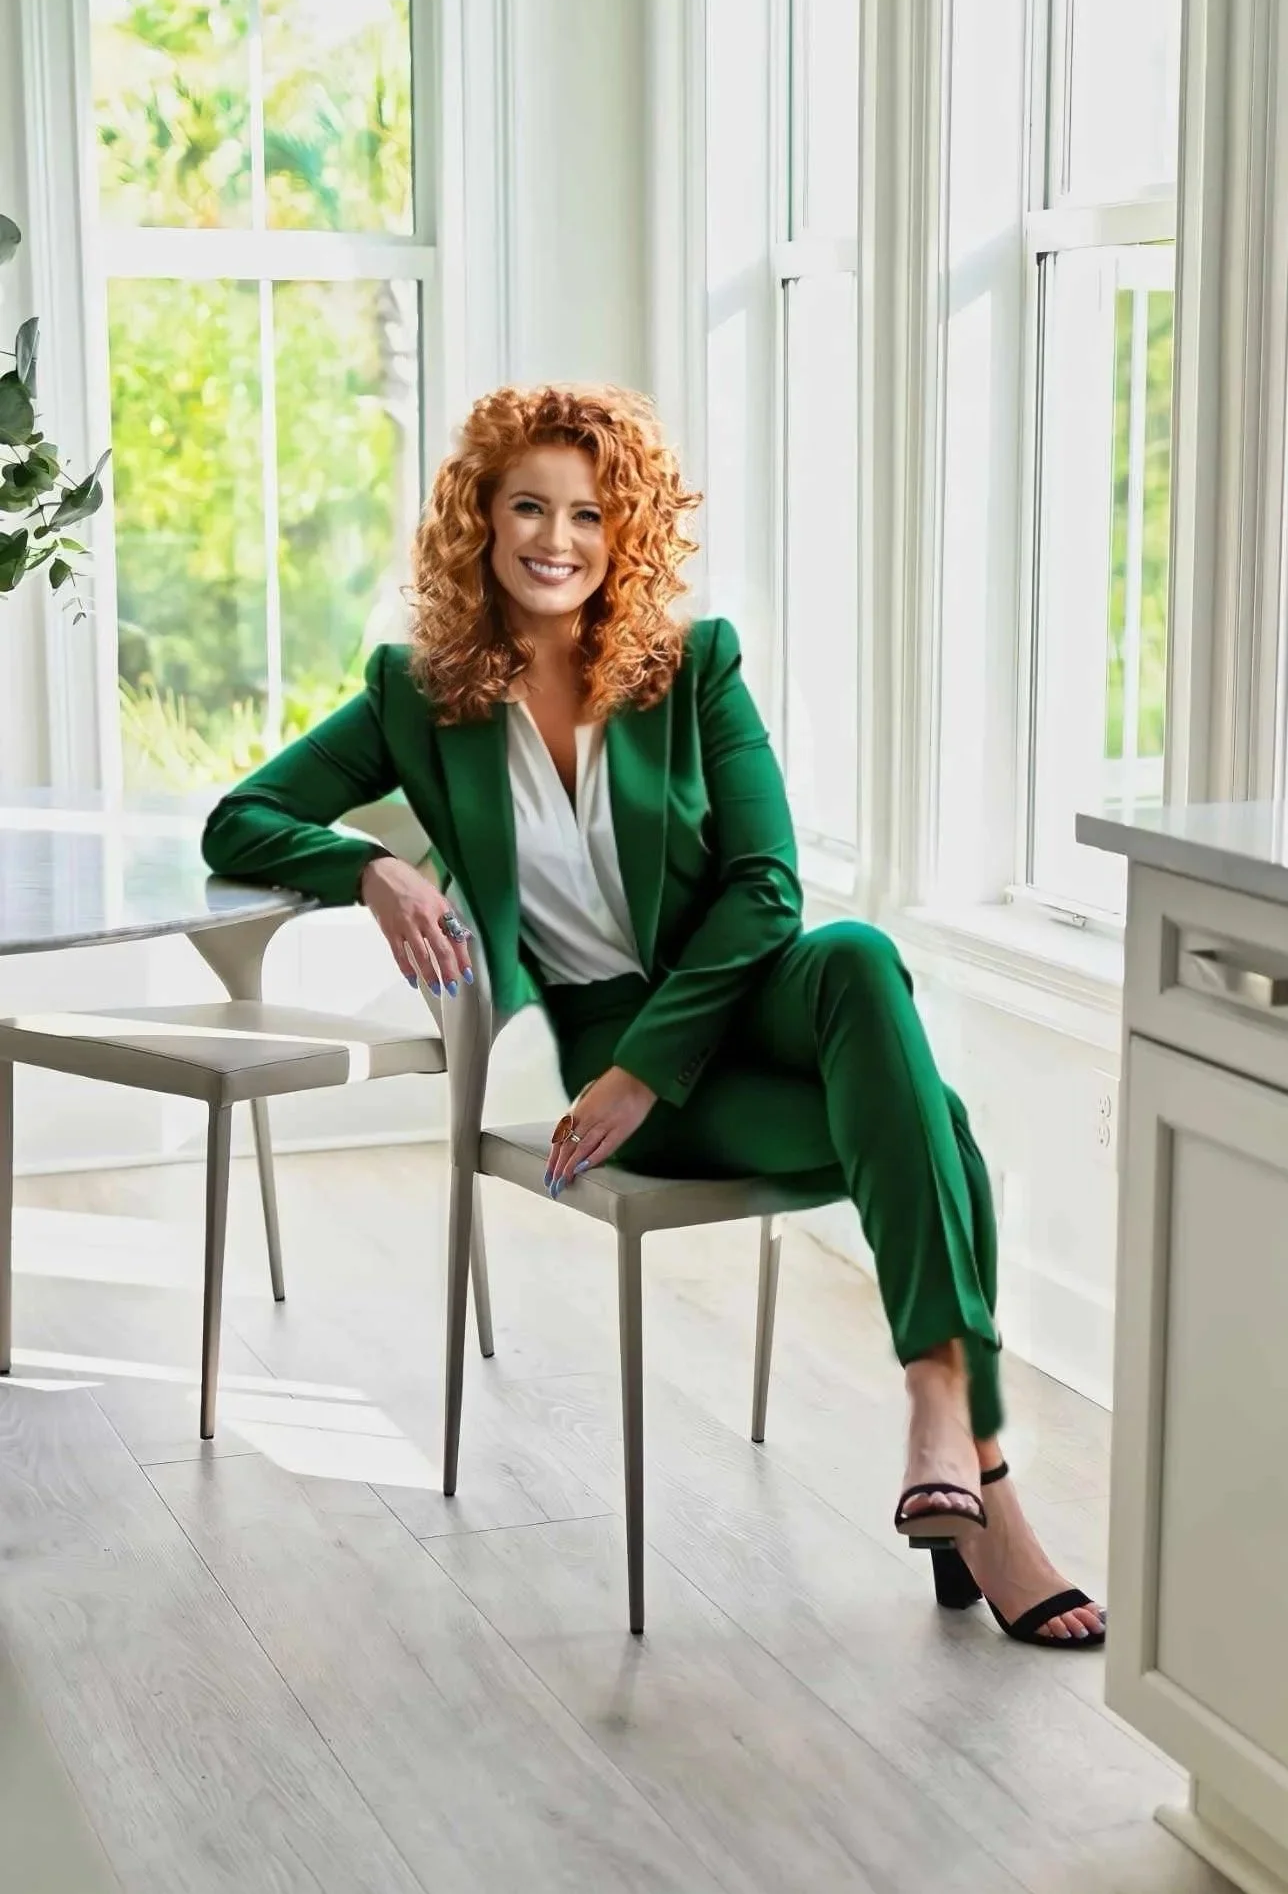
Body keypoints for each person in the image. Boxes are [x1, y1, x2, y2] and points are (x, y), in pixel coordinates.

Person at [203, 383, 1105, 1650]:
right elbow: (237, 818)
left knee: (854, 953)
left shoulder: (693, 668)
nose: (555, 539)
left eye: (586, 512)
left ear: (625, 531)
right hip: (606, 1044)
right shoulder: (418, 694)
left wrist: (642, 1068)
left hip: (753, 998)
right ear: (481, 519)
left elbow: (766, 887)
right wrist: (374, 867)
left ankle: (936, 1412)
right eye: (527, 506)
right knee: (937, 1133)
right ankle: (984, 1488)